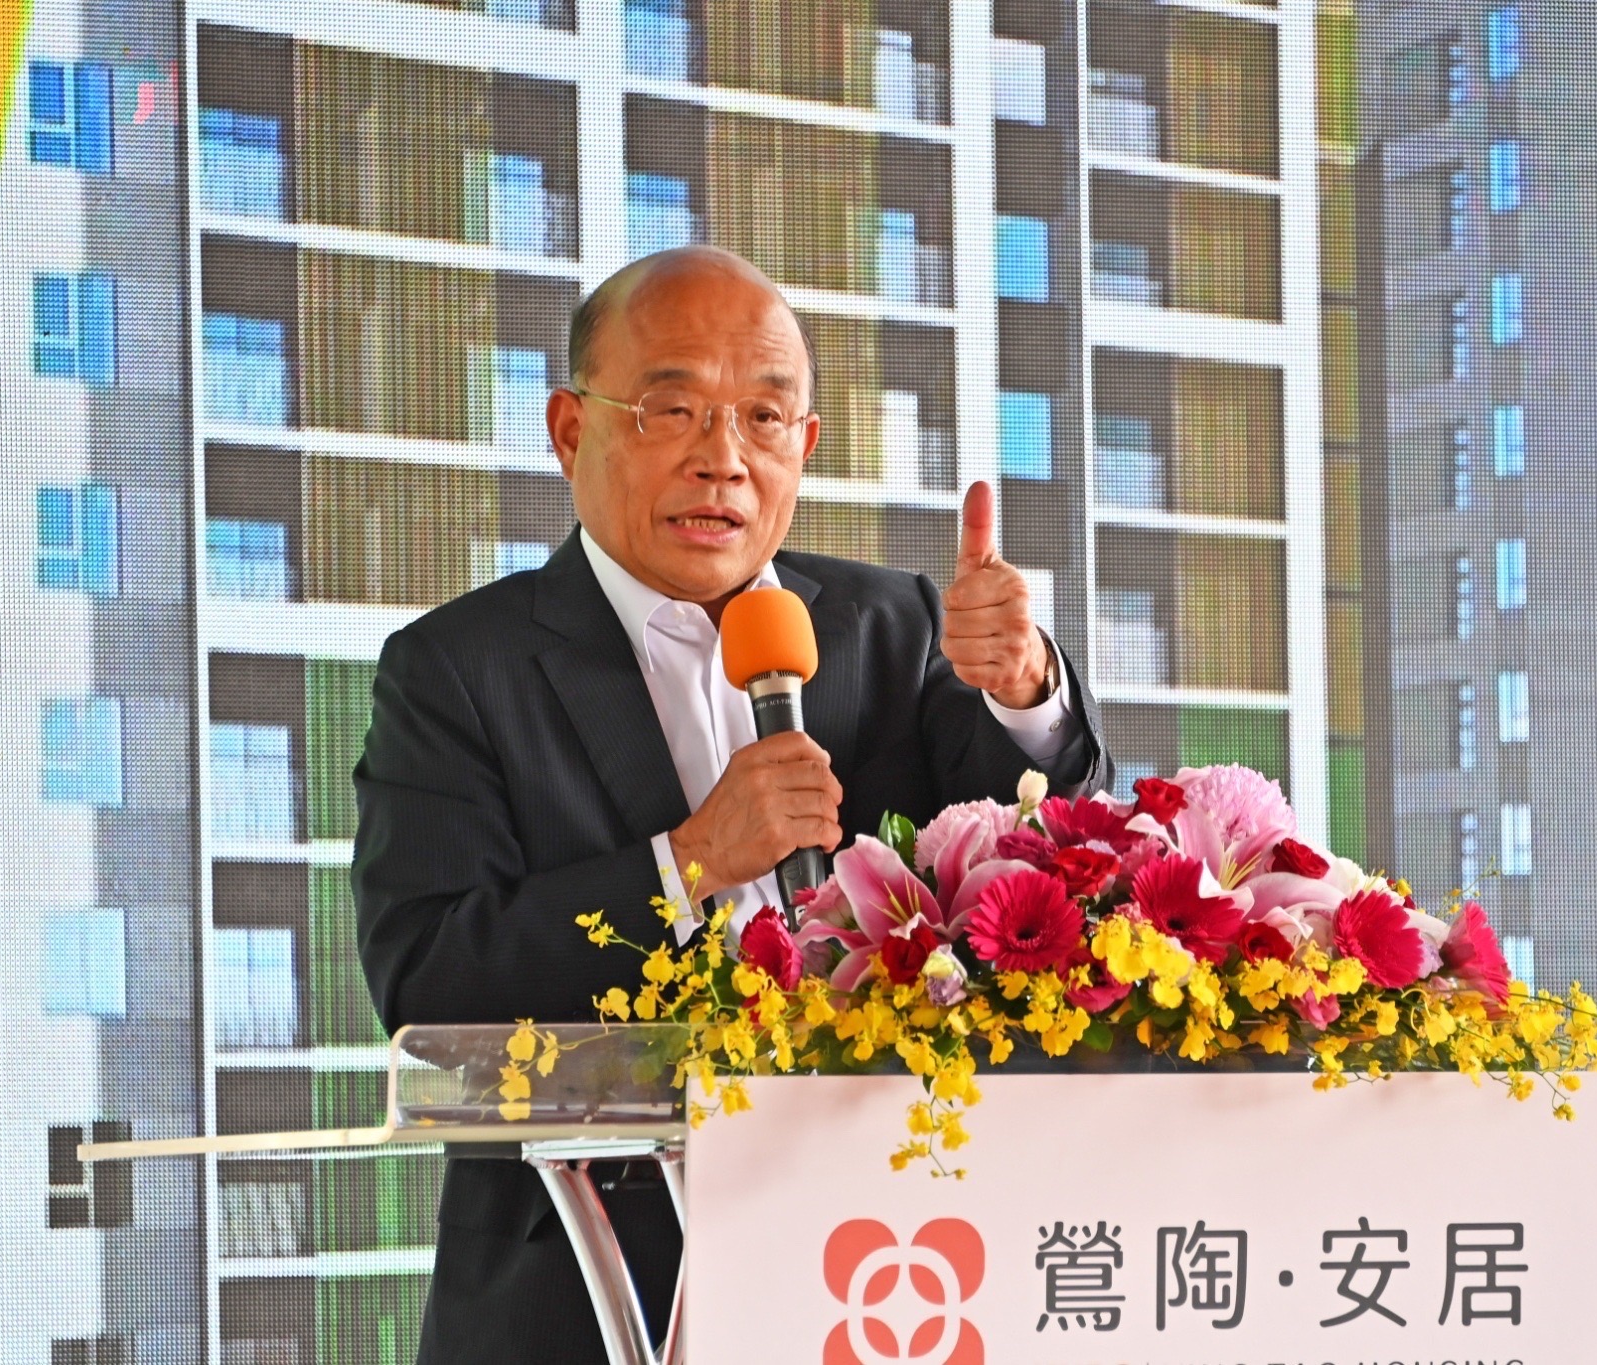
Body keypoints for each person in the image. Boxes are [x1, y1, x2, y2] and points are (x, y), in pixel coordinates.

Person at [352, 245, 1111, 1364]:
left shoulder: (894, 628)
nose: (723, 460)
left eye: (763, 417)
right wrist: (688, 861)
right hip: (586, 1296)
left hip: (896, 1268)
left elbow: (1050, 867)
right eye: (674, 410)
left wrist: (1023, 689)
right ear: (569, 428)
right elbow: (428, 981)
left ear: (804, 444)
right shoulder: (457, 670)